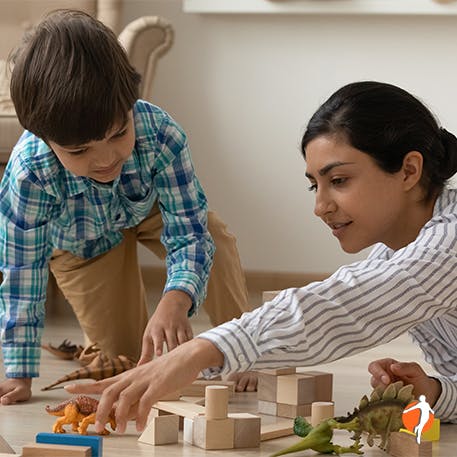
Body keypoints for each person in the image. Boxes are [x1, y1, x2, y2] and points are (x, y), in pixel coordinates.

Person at [67, 80, 457, 434]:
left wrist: (194, 353)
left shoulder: (446, 245)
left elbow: (339, 307)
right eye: (314, 186)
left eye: (338, 181)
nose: (320, 206)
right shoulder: (399, 253)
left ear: (409, 170)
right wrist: (437, 393)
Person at [0, 9, 253, 405]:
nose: (105, 160)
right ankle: (95, 344)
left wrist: (177, 297)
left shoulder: (162, 134)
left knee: (214, 237)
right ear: (45, 139)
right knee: (129, 362)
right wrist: (19, 373)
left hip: (149, 210)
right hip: (80, 246)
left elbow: (188, 231)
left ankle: (241, 346)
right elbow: (21, 272)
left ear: (132, 104)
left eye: (119, 133)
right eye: (80, 150)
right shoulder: (28, 173)